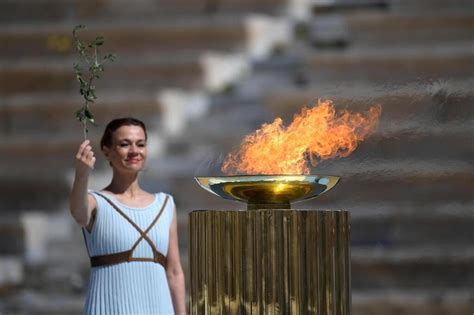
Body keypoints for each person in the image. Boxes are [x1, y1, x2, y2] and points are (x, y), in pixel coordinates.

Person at [69, 117, 186, 314]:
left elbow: (174, 271)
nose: (134, 151)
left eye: (140, 144)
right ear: (107, 151)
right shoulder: (95, 201)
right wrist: (82, 175)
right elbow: (79, 216)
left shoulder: (165, 204)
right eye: (124, 144)